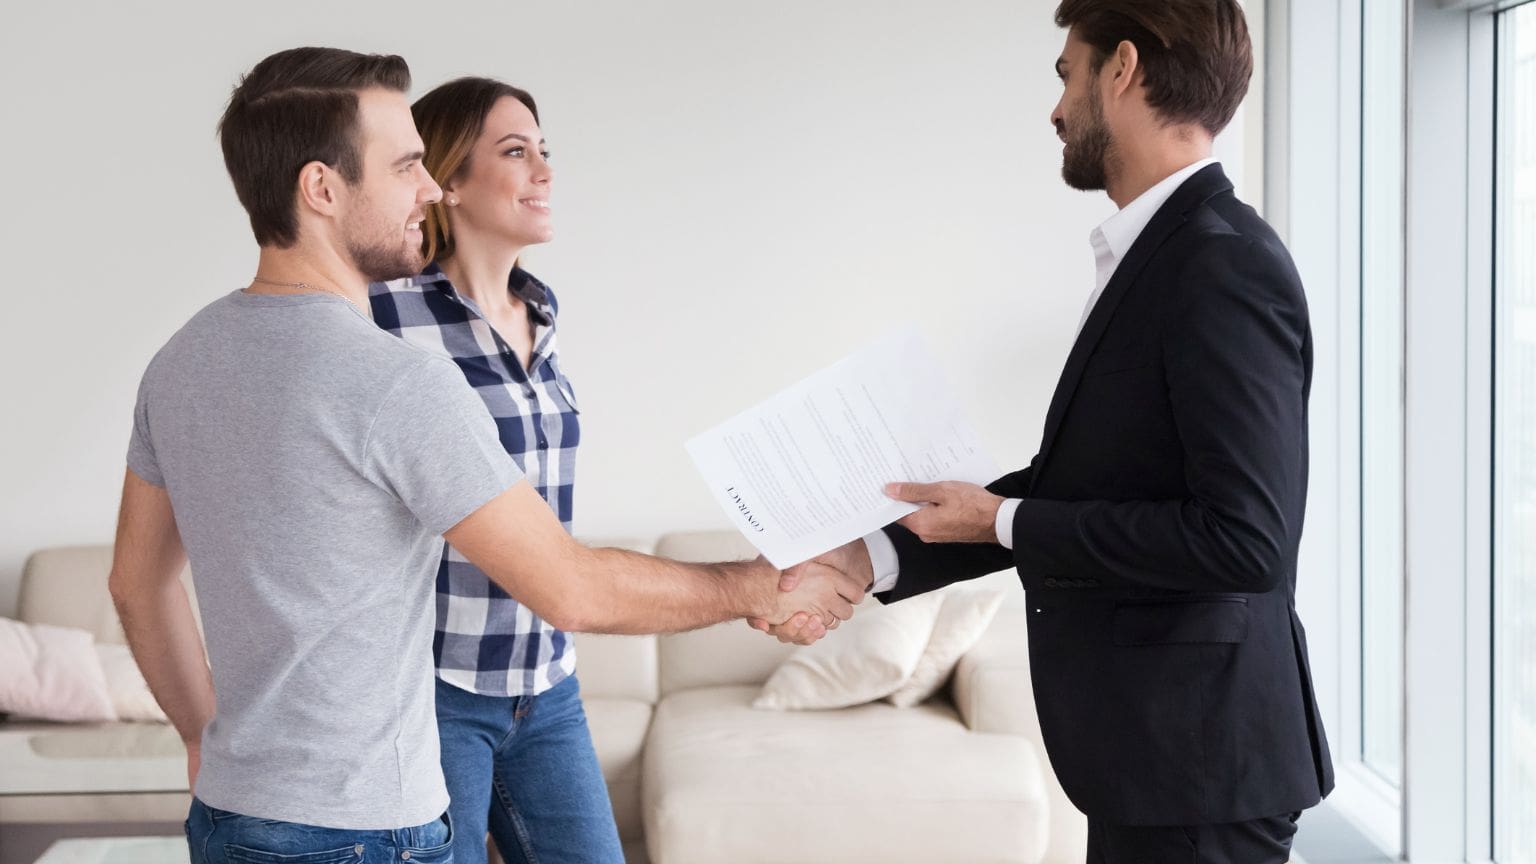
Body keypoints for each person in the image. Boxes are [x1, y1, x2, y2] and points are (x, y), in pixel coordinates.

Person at [107, 46, 861, 864]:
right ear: (322, 189)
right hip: (365, 830)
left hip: (229, 815)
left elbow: (135, 583)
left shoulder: (180, 359)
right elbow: (569, 587)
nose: (427, 189)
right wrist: (759, 583)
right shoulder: (395, 381)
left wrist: (199, 733)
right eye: (405, 168)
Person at [757, 2, 1333, 861]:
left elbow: (1244, 540)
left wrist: (995, 519)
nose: (1056, 109)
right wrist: (866, 557)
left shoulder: (1219, 261)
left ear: (1123, 69)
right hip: (1161, 759)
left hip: (1202, 763)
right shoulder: (1165, 254)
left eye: (1067, 73)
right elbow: (1089, 489)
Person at [367, 77, 613, 863]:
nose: (544, 170)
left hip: (547, 686)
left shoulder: (543, 314)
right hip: (433, 689)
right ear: (450, 180)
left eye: (546, 152)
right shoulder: (382, 314)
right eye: (516, 152)